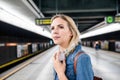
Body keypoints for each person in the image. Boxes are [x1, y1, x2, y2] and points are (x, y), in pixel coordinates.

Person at [50, 14, 94, 80]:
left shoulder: (82, 58)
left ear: (71, 32)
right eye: (52, 28)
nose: (55, 31)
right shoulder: (59, 56)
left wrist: (60, 73)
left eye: (61, 27)